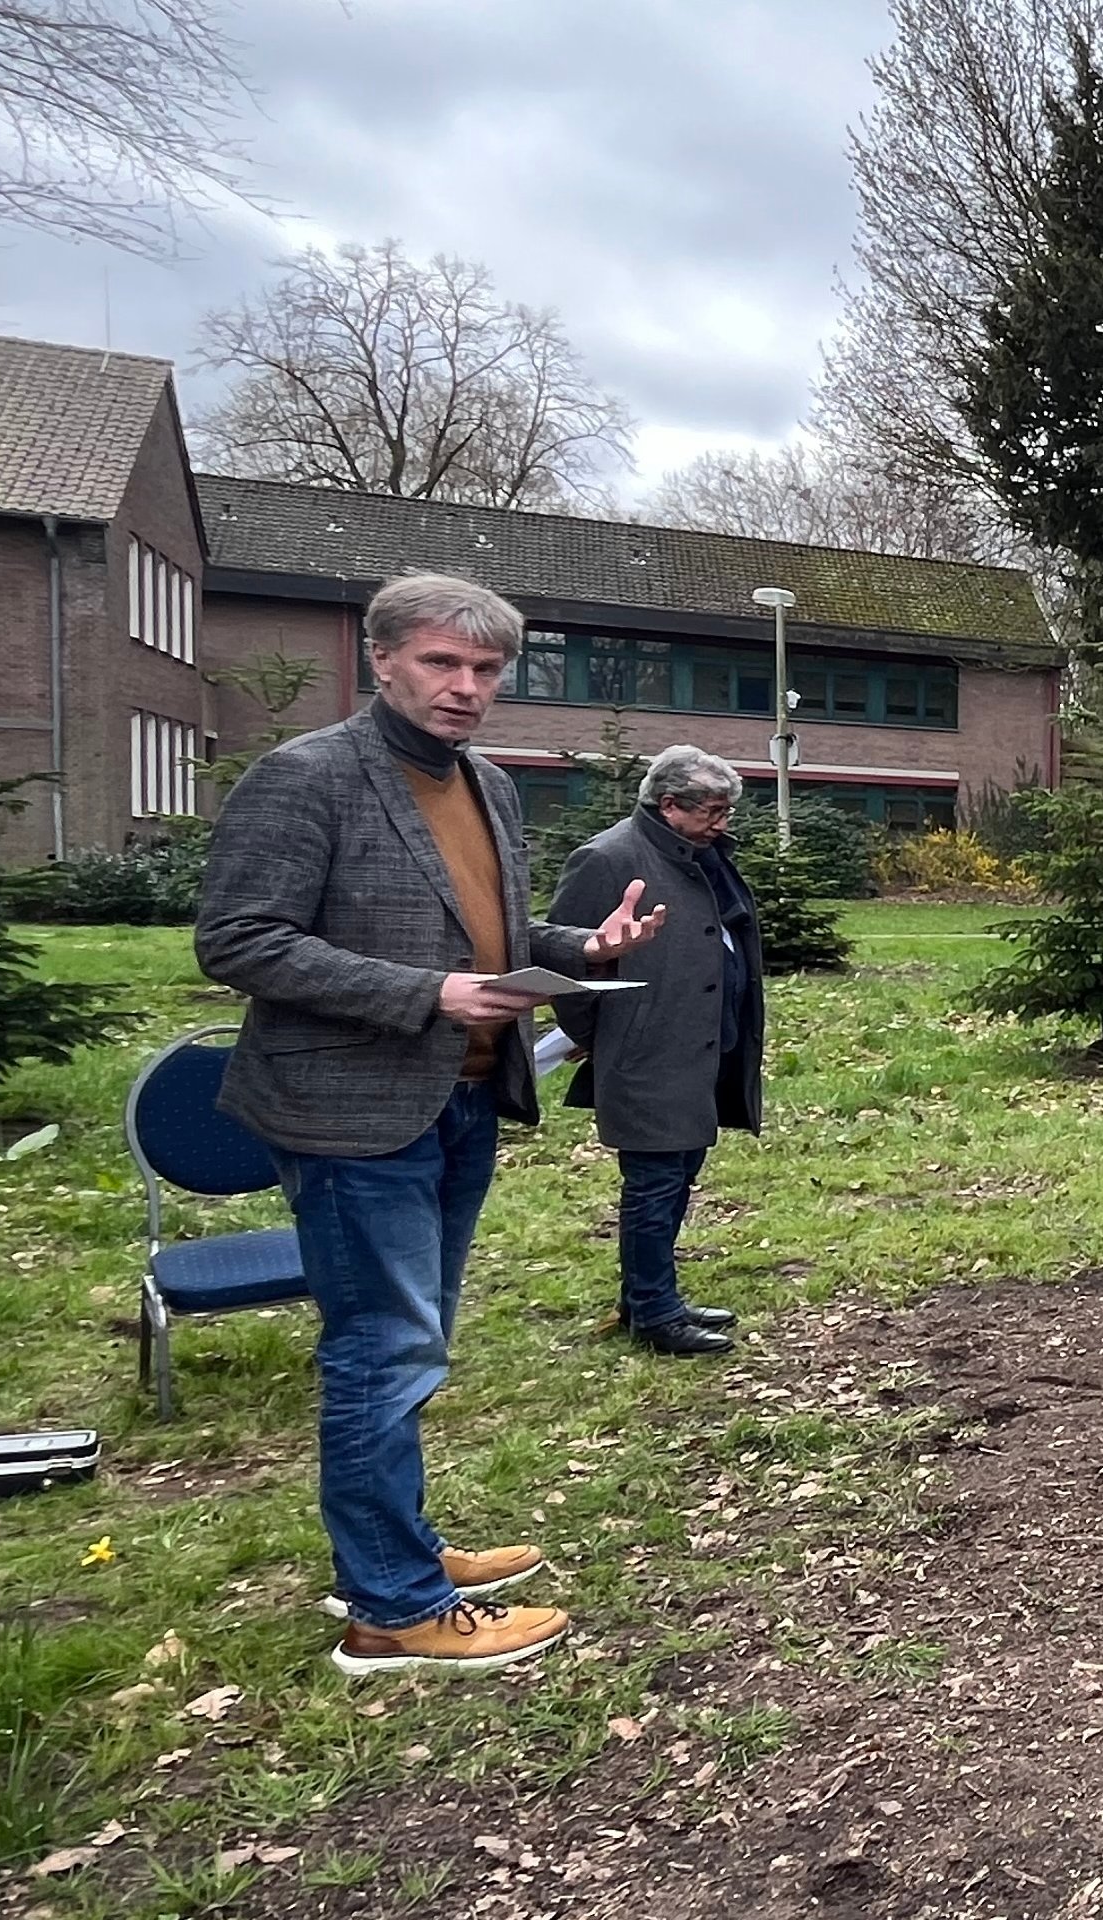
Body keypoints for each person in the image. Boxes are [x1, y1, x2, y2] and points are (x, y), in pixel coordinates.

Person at [194, 572, 664, 1676]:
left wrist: (581, 950)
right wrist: (428, 996)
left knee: (410, 1345)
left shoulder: (487, 785)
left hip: (462, 1100)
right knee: (381, 1352)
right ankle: (391, 1607)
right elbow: (239, 940)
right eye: (443, 663)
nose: (465, 688)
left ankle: (398, 1551)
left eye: (486, 670)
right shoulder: (306, 778)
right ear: (384, 660)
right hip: (350, 1113)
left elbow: (480, 928)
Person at [548, 745, 764, 1360]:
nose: (724, 822)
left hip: (700, 1045)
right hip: (645, 1052)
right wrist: (599, 1038)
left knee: (677, 1179)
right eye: (714, 810)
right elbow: (566, 960)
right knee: (653, 1182)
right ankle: (654, 1314)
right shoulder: (609, 858)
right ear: (669, 805)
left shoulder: (702, 852)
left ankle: (649, 1296)